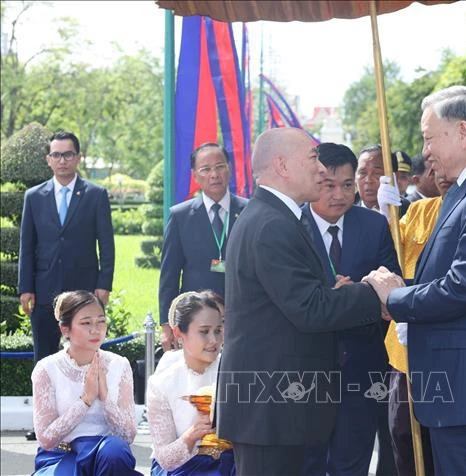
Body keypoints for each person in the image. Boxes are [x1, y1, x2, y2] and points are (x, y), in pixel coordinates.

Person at [364, 85, 466, 475]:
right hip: (461, 391)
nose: (425, 151)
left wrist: (397, 298)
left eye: (429, 138)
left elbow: (464, 286)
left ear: (461, 132)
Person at [215, 127, 384, 476]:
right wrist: (374, 290)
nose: (322, 169)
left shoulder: (274, 218)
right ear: (282, 165)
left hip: (279, 409)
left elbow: (299, 301)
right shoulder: (272, 224)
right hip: (270, 411)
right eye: (313, 158)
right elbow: (311, 310)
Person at [301, 142, 400, 476]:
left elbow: (391, 285)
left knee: (351, 463)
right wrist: (330, 297)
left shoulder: (372, 226)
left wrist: (356, 295)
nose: (339, 195)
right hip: (305, 372)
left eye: (346, 185)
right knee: (307, 464)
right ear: (314, 180)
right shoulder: (291, 226)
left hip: (362, 367)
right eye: (329, 185)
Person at [378, 163, 454, 476]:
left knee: (445, 447)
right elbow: (391, 259)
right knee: (404, 437)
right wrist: (385, 219)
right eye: (439, 170)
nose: (446, 177)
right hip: (405, 354)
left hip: (450, 352)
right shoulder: (420, 211)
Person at [19, 131, 115, 363]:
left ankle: (87, 398)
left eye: (68, 154)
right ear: (48, 159)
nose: (62, 160)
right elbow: (27, 245)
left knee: (84, 354)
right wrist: (25, 287)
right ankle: (44, 400)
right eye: (57, 155)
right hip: (44, 288)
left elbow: (107, 245)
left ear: (78, 157)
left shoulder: (95, 195)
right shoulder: (34, 197)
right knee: (44, 355)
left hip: (84, 288)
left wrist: (104, 285)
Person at [31, 290, 140, 475]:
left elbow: (128, 435)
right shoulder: (47, 369)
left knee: (115, 451)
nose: (95, 329)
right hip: (61, 454)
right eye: (86, 323)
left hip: (105, 454)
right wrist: (86, 400)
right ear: (65, 329)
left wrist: (105, 396)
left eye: (101, 321)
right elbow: (46, 439)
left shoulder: (119, 365)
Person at [159, 143, 248, 351]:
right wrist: (166, 324)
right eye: (206, 169)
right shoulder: (180, 216)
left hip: (241, 313)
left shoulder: (248, 211)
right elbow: (169, 275)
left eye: (220, 166)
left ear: (229, 169)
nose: (214, 174)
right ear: (194, 176)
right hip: (196, 317)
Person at [147, 291, 235, 476]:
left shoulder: (236, 371)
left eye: (218, 330)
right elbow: (165, 459)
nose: (214, 340)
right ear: (179, 332)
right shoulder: (163, 383)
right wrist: (193, 433)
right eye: (204, 332)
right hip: (184, 467)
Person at [356, 144, 410, 217]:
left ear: (394, 177)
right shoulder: (345, 212)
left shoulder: (408, 211)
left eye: (377, 173)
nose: (368, 180)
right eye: (362, 173)